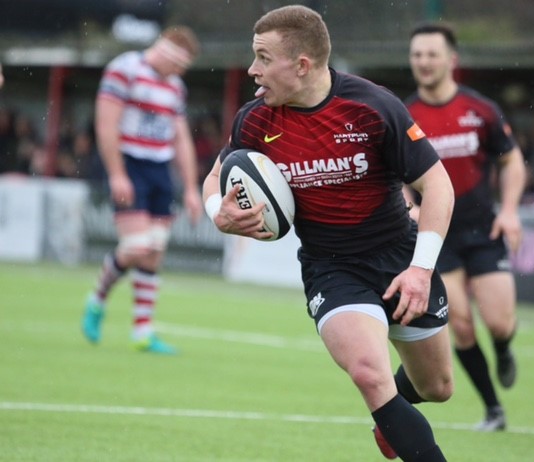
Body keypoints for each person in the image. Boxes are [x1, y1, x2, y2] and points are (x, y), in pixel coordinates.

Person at [202, 5, 454, 461]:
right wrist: (215, 213)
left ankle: (391, 420)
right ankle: (392, 414)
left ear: (301, 64)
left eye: (262, 57)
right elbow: (216, 177)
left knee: (435, 387)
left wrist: (421, 269)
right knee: (368, 373)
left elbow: (437, 184)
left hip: (400, 256)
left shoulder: (373, 106)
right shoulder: (256, 120)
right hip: (332, 268)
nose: (252, 69)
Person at [405, 23, 526, 432]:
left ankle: (505, 348)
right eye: (417, 54)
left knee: (498, 323)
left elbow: (511, 160)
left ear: (451, 60)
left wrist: (509, 210)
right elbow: (394, 176)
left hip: (484, 231)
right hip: (438, 238)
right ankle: (493, 409)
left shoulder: (481, 110)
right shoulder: (403, 115)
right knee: (460, 325)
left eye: (431, 54)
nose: (423, 61)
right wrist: (408, 206)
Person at [81, 26, 202, 354]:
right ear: (164, 52)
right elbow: (106, 123)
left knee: (154, 251)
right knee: (136, 246)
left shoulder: (175, 87)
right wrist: (117, 172)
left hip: (159, 169)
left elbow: (180, 138)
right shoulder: (125, 69)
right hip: (130, 164)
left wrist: (191, 187)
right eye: (178, 64)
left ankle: (143, 333)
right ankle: (97, 298)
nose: (179, 72)